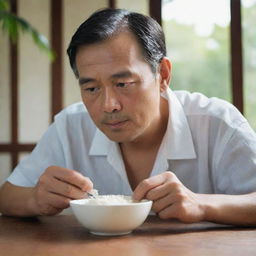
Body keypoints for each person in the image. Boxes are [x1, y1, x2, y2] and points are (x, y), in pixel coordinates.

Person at [0, 8, 256, 225]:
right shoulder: (70, 126)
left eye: (123, 84)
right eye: (91, 89)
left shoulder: (217, 123)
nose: (108, 105)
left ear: (163, 76)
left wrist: (202, 205)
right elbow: (8, 195)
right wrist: (35, 198)